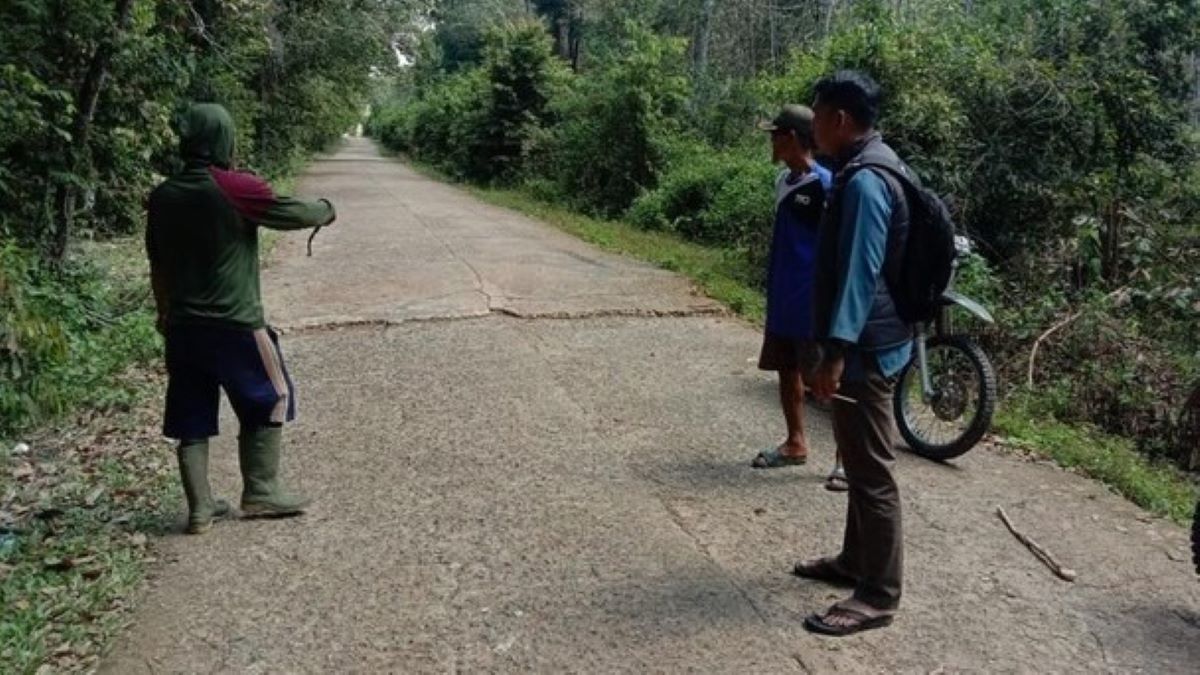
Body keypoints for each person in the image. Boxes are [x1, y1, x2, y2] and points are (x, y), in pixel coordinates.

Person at [146, 103, 337, 534]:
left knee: (190, 413)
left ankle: (199, 509)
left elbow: (156, 263)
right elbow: (291, 213)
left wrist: (164, 314)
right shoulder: (234, 187)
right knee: (271, 395)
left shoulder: (162, 196)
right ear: (224, 139)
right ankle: (261, 490)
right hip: (236, 324)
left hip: (182, 327)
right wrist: (326, 208)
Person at [795, 71, 915, 635]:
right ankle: (853, 561)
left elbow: (862, 273)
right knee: (858, 454)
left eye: (817, 115)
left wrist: (836, 350)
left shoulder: (867, 180)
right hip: (868, 339)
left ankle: (879, 594)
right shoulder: (873, 163)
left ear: (840, 120)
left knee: (872, 473)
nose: (811, 125)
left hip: (866, 345)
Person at [749, 106, 842, 493]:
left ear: (792, 138)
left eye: (776, 134)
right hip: (783, 295)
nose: (771, 141)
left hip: (811, 300)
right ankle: (795, 442)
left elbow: (835, 245)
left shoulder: (827, 184)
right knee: (786, 370)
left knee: (828, 383)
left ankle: (845, 460)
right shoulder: (782, 182)